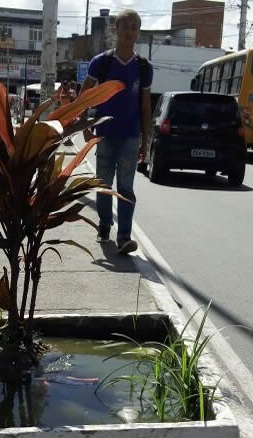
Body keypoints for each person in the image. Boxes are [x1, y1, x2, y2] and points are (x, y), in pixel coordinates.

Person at [79, 9, 153, 255]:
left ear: (138, 33)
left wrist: (146, 141)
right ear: (116, 30)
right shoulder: (102, 62)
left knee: (126, 188)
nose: (129, 32)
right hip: (105, 134)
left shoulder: (143, 68)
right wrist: (84, 125)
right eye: (125, 27)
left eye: (134, 27)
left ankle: (124, 237)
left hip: (131, 137)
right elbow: (85, 95)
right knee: (103, 185)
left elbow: (145, 106)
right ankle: (104, 224)